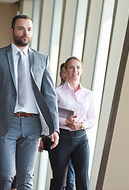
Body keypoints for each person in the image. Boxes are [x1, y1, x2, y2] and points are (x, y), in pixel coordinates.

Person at [0, 14, 59, 190]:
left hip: (33, 124)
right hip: (5, 123)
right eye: (21, 28)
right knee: (7, 175)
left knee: (26, 179)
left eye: (29, 29)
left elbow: (50, 96)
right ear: (12, 31)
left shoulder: (42, 59)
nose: (25, 33)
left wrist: (54, 128)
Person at [39, 56, 97, 190]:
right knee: (59, 180)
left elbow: (92, 118)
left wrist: (81, 125)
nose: (74, 70)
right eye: (71, 67)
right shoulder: (56, 92)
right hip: (61, 138)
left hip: (81, 139)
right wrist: (64, 121)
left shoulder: (89, 94)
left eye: (77, 67)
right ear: (65, 71)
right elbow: (48, 116)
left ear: (81, 70)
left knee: (82, 178)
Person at [59, 62, 75, 190]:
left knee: (70, 174)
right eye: (66, 71)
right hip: (58, 136)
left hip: (74, 137)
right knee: (60, 174)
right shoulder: (55, 93)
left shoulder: (78, 94)